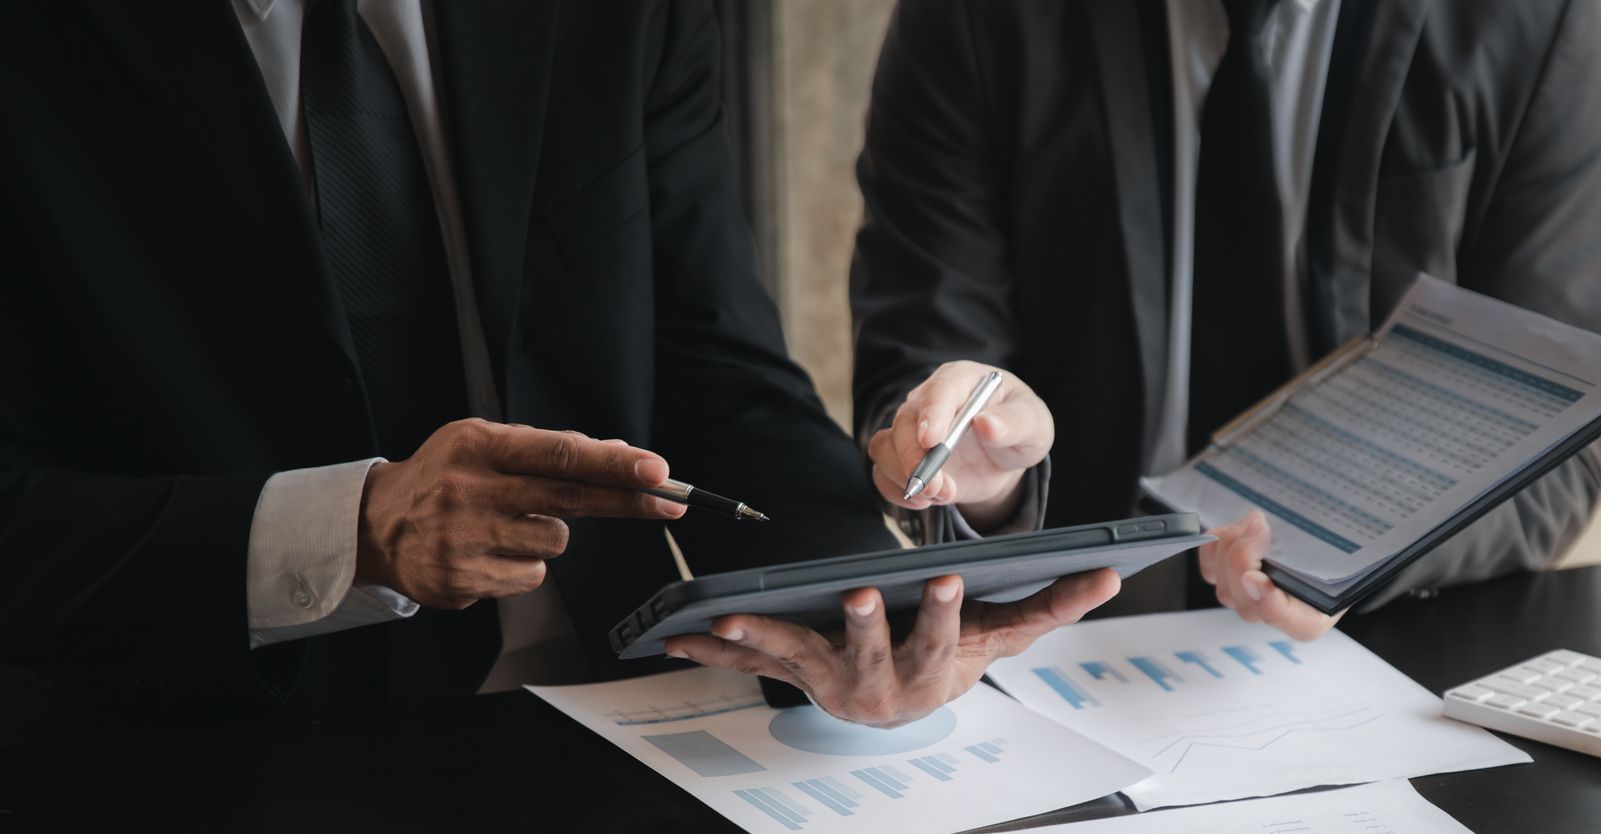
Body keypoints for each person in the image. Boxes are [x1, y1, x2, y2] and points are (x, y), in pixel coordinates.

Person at [0, 0, 1116, 726]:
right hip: (187, 774)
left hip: (619, 720)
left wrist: (869, 608)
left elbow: (714, 368)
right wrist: (351, 529)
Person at [852, 0, 1601, 633]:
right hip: (1066, 623)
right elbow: (923, 356)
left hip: (1395, 634)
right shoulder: (974, 19)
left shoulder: (1527, 18)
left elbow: (1560, 443)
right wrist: (979, 479)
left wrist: (1357, 558)